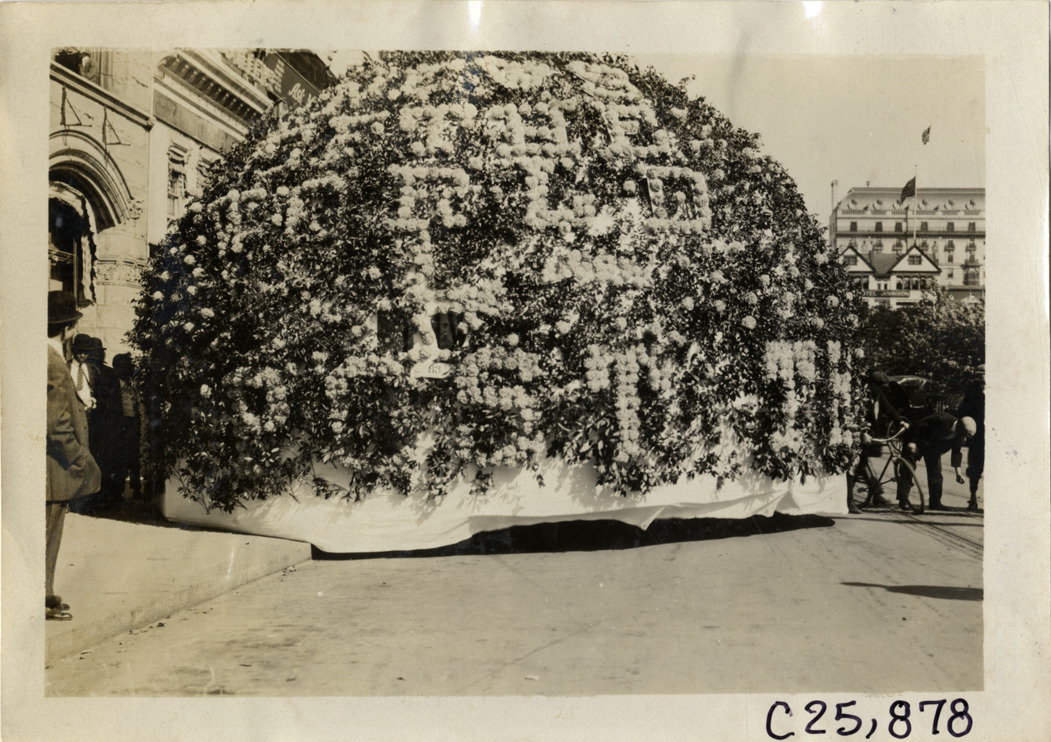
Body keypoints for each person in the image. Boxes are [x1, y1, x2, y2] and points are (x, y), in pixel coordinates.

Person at [47, 291, 101, 621]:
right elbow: (55, 423)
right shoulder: (53, 362)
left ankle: (45, 593)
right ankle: (39, 599)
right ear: (68, 328)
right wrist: (78, 457)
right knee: (47, 535)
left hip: (49, 467)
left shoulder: (44, 356)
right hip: (54, 468)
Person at [847, 369, 907, 512]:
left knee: (862, 463)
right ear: (872, 384)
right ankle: (850, 500)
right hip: (860, 434)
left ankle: (875, 492)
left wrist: (900, 421)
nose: (883, 389)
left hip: (873, 434)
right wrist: (862, 433)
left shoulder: (878, 394)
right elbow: (855, 416)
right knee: (856, 466)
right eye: (880, 386)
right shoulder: (861, 395)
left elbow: (888, 408)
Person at [899, 411, 976, 511]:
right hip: (916, 440)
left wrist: (958, 473)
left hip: (933, 448)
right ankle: (904, 500)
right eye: (964, 435)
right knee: (908, 469)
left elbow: (956, 452)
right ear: (959, 427)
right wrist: (912, 442)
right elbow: (917, 425)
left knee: (936, 474)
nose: (965, 439)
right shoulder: (941, 419)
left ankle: (935, 503)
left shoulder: (959, 436)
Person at [111, 353, 143, 501]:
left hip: (133, 422)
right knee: (121, 457)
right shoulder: (114, 384)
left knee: (134, 456)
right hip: (120, 423)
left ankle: (136, 488)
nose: (126, 370)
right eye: (123, 367)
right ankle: (118, 490)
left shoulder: (132, 383)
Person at [957, 364, 985, 511]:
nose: (981, 378)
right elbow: (963, 411)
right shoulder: (971, 391)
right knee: (975, 467)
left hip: (996, 436)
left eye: (983, 375)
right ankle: (973, 497)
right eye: (979, 375)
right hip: (977, 435)